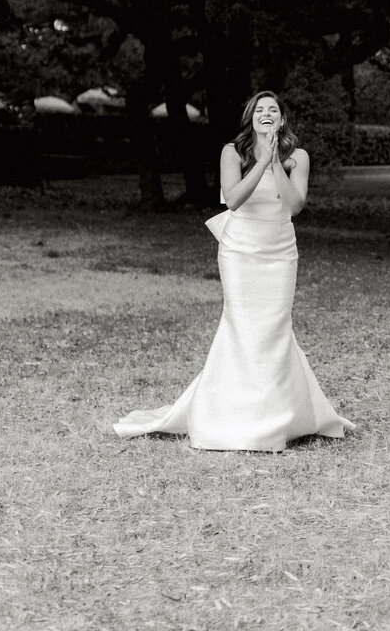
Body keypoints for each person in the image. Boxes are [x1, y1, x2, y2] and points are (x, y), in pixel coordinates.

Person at [114, 90, 354, 451]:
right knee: (242, 326)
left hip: (280, 254)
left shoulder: (297, 157)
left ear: (282, 120)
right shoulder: (233, 152)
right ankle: (229, 414)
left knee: (274, 328)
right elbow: (235, 199)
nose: (267, 114)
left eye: (273, 110)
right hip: (240, 252)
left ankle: (277, 417)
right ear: (251, 118)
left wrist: (276, 160)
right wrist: (262, 160)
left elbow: (295, 204)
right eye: (260, 110)